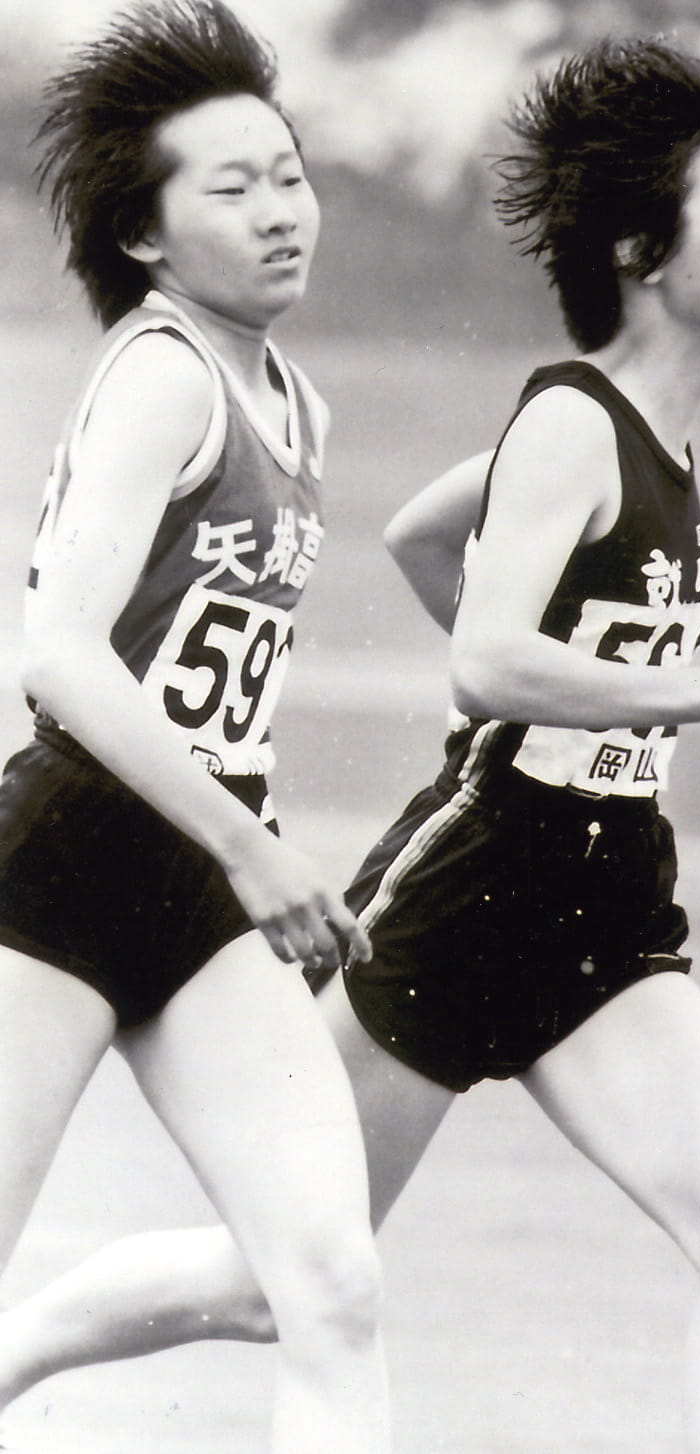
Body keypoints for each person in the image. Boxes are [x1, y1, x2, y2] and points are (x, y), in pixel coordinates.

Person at [0, 37, 700, 1454]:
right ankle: (20, 1346)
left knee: (691, 1238)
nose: (285, 207)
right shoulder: (533, 415)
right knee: (282, 1278)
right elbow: (471, 658)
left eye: (291, 175)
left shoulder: (386, 407)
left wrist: (548, 692)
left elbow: (426, 550)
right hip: (310, 872)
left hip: (500, 881)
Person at [0, 2, 391, 1449]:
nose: (281, 210)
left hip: (205, 879)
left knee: (328, 1280)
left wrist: (238, 845)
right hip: (65, 860)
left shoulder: (299, 402)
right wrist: (254, 846)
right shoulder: (163, 372)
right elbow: (61, 658)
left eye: (286, 172)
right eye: (231, 187)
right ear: (148, 234)